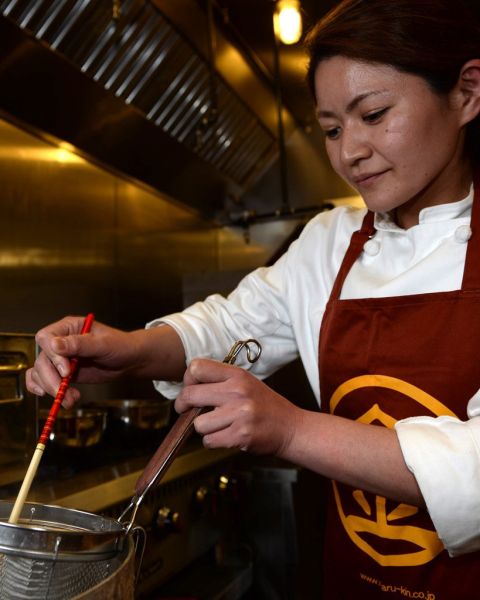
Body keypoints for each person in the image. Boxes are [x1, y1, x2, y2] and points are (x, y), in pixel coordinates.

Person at [26, 0, 480, 597]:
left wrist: (291, 431)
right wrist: (130, 351)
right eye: (333, 130)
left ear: (467, 93)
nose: (350, 152)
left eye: (373, 114)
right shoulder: (329, 241)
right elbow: (234, 327)